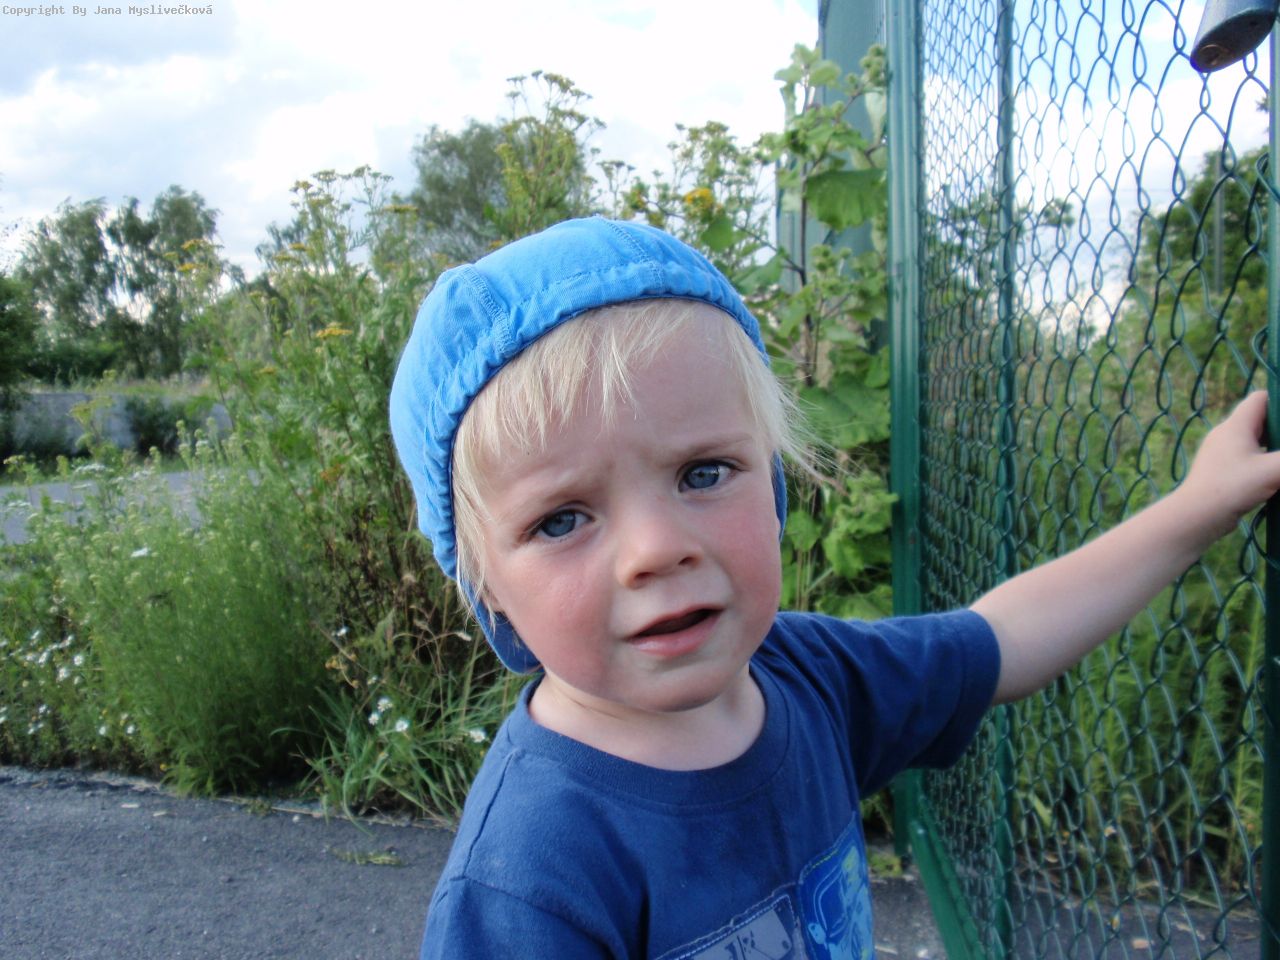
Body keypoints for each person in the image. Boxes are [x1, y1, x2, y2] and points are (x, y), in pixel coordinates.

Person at [389, 216, 1280, 959]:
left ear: (774, 486)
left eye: (704, 473)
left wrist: (1199, 505)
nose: (655, 550)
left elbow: (1001, 639)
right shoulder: (527, 878)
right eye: (561, 520)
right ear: (486, 589)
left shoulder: (808, 673)